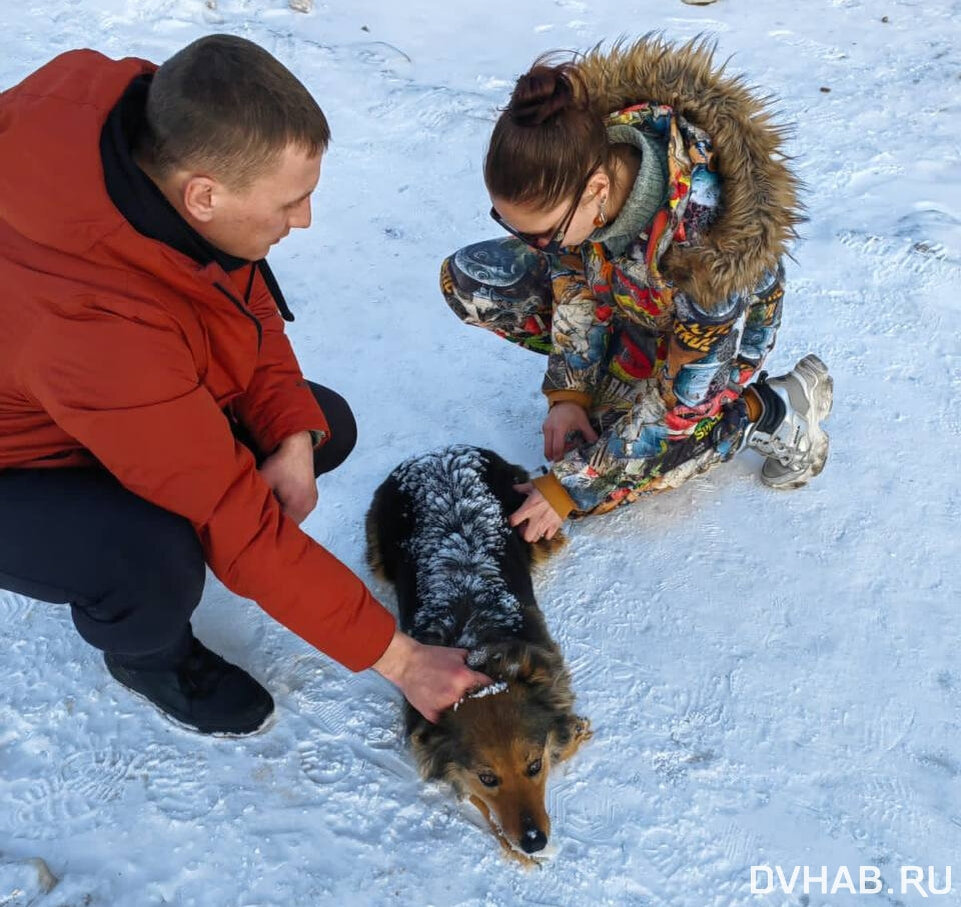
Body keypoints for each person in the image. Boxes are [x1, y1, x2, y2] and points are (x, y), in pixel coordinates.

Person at [0, 34, 489, 736]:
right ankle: (147, 655)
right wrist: (401, 657)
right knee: (153, 555)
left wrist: (290, 429)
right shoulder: (92, 329)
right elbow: (234, 521)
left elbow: (237, 288)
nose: (306, 220)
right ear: (203, 195)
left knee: (320, 422)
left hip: (67, 390)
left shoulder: (143, 144)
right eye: (291, 202)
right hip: (17, 458)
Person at [441, 37, 833, 542]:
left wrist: (569, 488)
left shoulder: (705, 247)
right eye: (512, 225)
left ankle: (769, 411)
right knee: (472, 280)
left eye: (541, 233)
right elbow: (572, 280)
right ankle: (616, 389)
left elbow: (674, 410)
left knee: (609, 478)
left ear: (597, 191)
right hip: (629, 298)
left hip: (703, 340)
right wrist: (571, 393)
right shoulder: (584, 156)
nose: (531, 245)